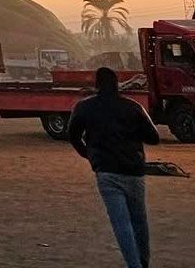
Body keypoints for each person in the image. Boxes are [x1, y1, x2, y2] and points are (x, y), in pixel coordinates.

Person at [66, 67, 160, 268]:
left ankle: (133, 265)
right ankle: (143, 262)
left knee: (121, 223)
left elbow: (72, 135)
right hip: (134, 170)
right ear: (117, 84)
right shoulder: (133, 107)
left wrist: (88, 154)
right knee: (139, 220)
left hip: (106, 171)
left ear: (96, 85)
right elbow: (153, 138)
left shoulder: (83, 107)